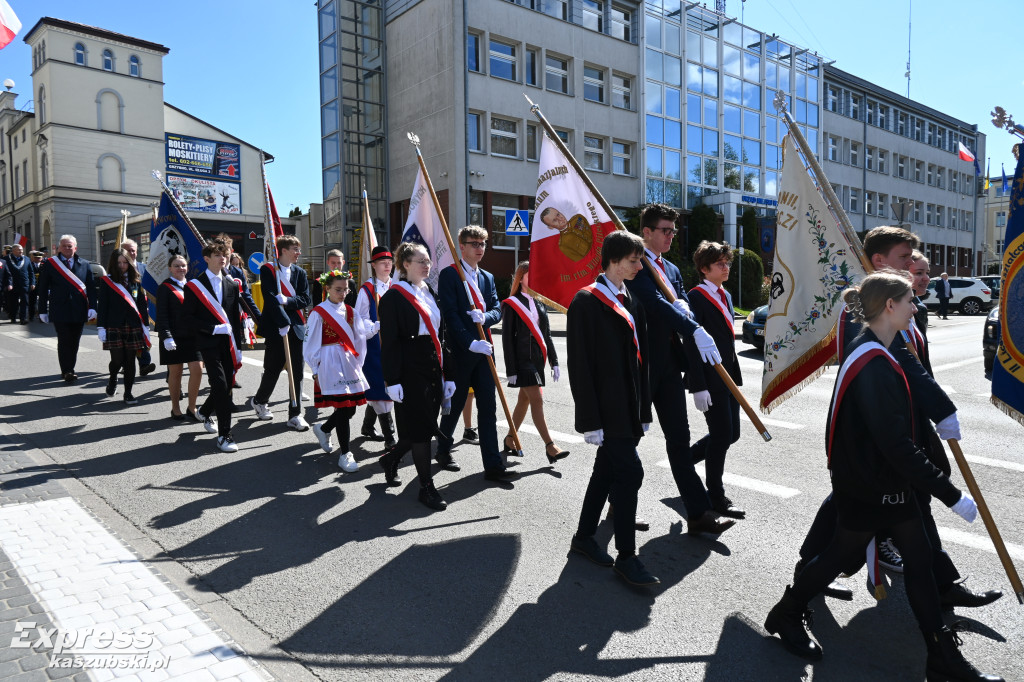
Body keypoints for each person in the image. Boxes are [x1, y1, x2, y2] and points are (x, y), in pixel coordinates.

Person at [764, 271, 1002, 682]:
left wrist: (942, 415)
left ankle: (940, 655)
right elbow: (894, 444)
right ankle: (786, 612)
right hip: (869, 484)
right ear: (889, 306)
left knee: (921, 560)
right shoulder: (872, 362)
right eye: (910, 300)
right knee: (840, 554)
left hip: (889, 481)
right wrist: (949, 494)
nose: (917, 306)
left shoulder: (883, 346)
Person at [796, 226, 1001, 609]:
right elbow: (896, 364)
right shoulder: (866, 310)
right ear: (880, 262)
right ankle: (804, 580)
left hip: (906, 422)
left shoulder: (908, 305)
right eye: (905, 259)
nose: (913, 265)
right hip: (877, 435)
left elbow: (917, 366)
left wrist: (936, 411)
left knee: (905, 507)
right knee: (852, 510)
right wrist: (939, 409)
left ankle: (940, 587)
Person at [624, 204, 733, 536]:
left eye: (674, 230)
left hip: (669, 365)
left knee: (679, 438)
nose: (671, 235)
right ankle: (616, 501)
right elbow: (654, 304)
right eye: (665, 230)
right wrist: (693, 328)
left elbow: (679, 296)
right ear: (646, 232)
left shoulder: (670, 268)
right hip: (642, 364)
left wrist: (685, 307)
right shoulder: (635, 264)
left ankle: (698, 512)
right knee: (629, 439)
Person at [567, 230, 657, 587]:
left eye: (639, 259)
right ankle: (627, 557)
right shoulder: (586, 301)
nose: (639, 265)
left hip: (628, 407)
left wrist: (644, 409)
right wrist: (590, 421)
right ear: (614, 260)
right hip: (606, 410)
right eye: (633, 260)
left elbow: (642, 359)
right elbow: (581, 365)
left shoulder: (629, 298)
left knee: (605, 473)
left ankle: (585, 537)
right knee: (630, 474)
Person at [433, 226, 516, 482]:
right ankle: (444, 450)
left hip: (485, 352)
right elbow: (450, 314)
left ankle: (492, 465)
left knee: (488, 408)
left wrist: (486, 317)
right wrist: (469, 342)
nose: (480, 248)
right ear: (462, 246)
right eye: (475, 243)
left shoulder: (487, 277)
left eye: (483, 243)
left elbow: (496, 309)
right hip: (460, 352)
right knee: (454, 406)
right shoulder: (450, 275)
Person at [377, 242, 456, 511]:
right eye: (420, 260)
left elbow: (442, 336)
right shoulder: (393, 297)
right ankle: (426, 487)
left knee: (422, 425)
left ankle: (391, 459)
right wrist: (392, 380)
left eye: (428, 260)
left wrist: (450, 373)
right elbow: (389, 343)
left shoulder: (430, 292)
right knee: (422, 431)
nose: (427, 264)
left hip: (432, 365)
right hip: (408, 368)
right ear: (405, 264)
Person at [686, 241, 745, 520]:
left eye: (727, 263)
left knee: (731, 434)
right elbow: (691, 342)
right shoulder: (695, 297)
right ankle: (715, 496)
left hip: (728, 375)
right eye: (720, 263)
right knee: (722, 435)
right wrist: (698, 385)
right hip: (711, 378)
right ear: (704, 268)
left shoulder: (725, 294)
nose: (726, 267)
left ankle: (685, 461)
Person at [500, 260, 569, 464]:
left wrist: (554, 361)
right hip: (523, 363)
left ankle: (510, 439)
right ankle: (550, 446)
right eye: (532, 275)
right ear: (521, 278)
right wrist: (511, 368)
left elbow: (546, 334)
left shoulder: (540, 302)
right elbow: (506, 339)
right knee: (537, 401)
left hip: (537, 361)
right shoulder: (512, 304)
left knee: (524, 401)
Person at [306, 270, 373, 472]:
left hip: (349, 363)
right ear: (327, 288)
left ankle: (324, 428)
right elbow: (310, 343)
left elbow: (360, 340)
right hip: (330, 362)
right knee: (343, 409)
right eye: (338, 289)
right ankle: (345, 453)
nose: (343, 293)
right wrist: (315, 367)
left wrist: (358, 363)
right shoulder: (319, 312)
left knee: (350, 408)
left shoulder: (351, 312)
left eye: (346, 289)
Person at [183, 238, 244, 453]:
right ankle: (225, 436)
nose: (223, 258)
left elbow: (235, 319)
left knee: (226, 384)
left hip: (227, 343)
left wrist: (239, 345)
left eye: (225, 254)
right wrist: (212, 328)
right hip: (206, 342)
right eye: (218, 255)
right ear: (207, 258)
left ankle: (206, 411)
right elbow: (187, 318)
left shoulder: (231, 284)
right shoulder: (194, 286)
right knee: (219, 385)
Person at [251, 235, 312, 431]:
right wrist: (282, 320)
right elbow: (269, 298)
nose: (298, 253)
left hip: (297, 327)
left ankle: (295, 414)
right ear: (283, 250)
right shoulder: (268, 270)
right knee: (273, 369)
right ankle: (259, 401)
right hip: (277, 327)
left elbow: (304, 299)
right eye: (295, 249)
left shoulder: (300, 272)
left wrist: (287, 301)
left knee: (297, 372)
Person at [36, 235, 98, 382]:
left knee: (75, 341)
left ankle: (70, 366)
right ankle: (67, 371)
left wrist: (93, 307)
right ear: (59, 248)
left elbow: (91, 287)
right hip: (60, 309)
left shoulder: (84, 264)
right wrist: (42, 310)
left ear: (75, 248)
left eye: (70, 246)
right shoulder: (50, 264)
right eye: (64, 246)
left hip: (79, 309)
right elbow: (43, 289)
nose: (67, 248)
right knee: (64, 340)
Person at [354, 246, 396, 447]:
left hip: (395, 344)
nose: (387, 265)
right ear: (374, 266)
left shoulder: (398, 286)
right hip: (374, 346)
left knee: (386, 387)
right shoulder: (367, 289)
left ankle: (368, 426)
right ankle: (390, 437)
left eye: (389, 261)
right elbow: (358, 319)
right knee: (381, 387)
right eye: (382, 262)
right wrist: (374, 326)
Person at [97, 248, 151, 405]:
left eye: (125, 262)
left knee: (130, 361)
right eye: (119, 262)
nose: (122, 265)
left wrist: (146, 326)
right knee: (117, 360)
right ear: (114, 264)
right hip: (114, 325)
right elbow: (103, 306)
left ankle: (128, 393)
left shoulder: (136, 281)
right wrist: (101, 327)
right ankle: (113, 378)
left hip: (133, 325)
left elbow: (141, 305)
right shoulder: (107, 281)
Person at [157, 254, 203, 421]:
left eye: (183, 265)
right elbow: (162, 315)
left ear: (187, 268)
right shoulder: (165, 288)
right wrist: (166, 336)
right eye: (176, 266)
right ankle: (175, 408)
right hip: (174, 338)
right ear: (170, 268)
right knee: (175, 373)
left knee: (197, 370)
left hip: (192, 337)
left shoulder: (192, 286)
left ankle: (192, 407)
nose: (180, 268)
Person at [120, 239, 157, 376]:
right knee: (126, 342)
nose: (131, 253)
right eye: (128, 250)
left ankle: (144, 365)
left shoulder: (144, 268)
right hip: (124, 313)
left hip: (141, 311)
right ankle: (125, 364)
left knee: (142, 338)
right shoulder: (117, 269)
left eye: (133, 250)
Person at [5, 244, 35, 324]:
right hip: (12, 285)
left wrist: (32, 282)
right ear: (13, 251)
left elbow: (31, 272)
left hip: (24, 284)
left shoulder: (27, 259)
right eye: (19, 250)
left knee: (25, 302)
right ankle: (13, 317)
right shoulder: (6, 259)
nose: (21, 251)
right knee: (13, 302)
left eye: (21, 249)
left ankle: (23, 318)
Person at [27, 251, 43, 320]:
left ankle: (41, 316)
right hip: (32, 286)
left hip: (42, 286)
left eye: (39, 258)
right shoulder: (29, 264)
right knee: (32, 302)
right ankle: (31, 316)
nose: (37, 259)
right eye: (36, 258)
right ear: (33, 258)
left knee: (42, 302)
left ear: (41, 258)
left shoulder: (44, 265)